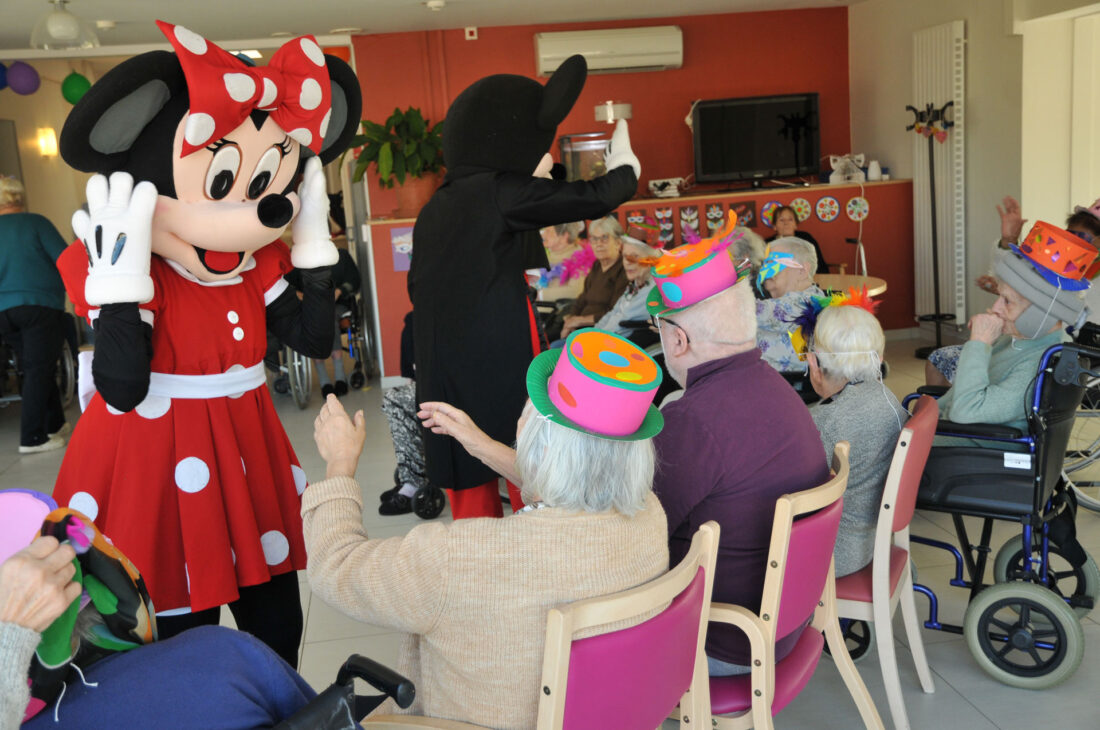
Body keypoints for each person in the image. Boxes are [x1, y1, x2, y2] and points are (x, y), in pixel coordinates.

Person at [51, 22, 363, 667]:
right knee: (173, 630)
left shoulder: (256, 264)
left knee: (275, 618)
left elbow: (311, 340)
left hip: (245, 449)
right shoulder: (114, 266)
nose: (259, 214)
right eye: (223, 182)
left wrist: (312, 249)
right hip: (151, 464)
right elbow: (122, 387)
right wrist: (118, 288)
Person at [305, 328, 668, 728]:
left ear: (543, 446)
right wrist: (478, 443)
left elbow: (334, 567)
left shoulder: (461, 556)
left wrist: (340, 463)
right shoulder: (650, 517)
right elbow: (578, 487)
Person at [409, 55, 641, 520]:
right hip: (496, 348)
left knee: (469, 474)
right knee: (527, 460)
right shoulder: (498, 190)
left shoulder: (439, 204)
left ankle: (484, 572)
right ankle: (537, 551)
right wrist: (624, 170)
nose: (550, 160)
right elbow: (591, 197)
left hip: (443, 359)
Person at [643, 212, 830, 676]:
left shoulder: (692, 419)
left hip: (723, 638)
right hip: (785, 619)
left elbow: (635, 531)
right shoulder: (772, 383)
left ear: (679, 339)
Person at [926, 195, 1100, 386]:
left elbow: (1069, 311)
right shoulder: (1061, 262)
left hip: (1053, 357)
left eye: (1084, 239)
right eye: (1071, 234)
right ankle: (940, 411)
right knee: (938, 359)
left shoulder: (1089, 281)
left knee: (965, 371)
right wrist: (1009, 240)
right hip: (1020, 344)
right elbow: (1024, 282)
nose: (1075, 244)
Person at [935, 230, 1095, 439]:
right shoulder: (1017, 340)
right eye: (999, 297)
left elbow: (964, 412)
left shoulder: (1037, 364)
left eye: (1007, 301)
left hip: (971, 453)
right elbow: (956, 396)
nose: (995, 308)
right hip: (946, 438)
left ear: (1038, 314)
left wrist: (979, 344)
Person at [804, 301, 905, 576]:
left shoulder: (829, 421)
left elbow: (794, 491)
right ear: (878, 358)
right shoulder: (887, 399)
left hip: (835, 553)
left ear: (814, 362)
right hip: (870, 542)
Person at [0, 177, 70, 454]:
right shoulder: (36, 223)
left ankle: (55, 423)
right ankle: (32, 438)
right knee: (40, 367)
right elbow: (65, 257)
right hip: (39, 305)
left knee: (35, 366)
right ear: (19, 198)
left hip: (4, 312)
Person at [755, 237, 826, 373]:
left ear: (802, 271)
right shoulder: (810, 297)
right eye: (763, 263)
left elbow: (749, 312)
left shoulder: (804, 302)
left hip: (780, 387)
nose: (765, 269)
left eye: (773, 263)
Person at [560, 215, 630, 338]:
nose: (598, 244)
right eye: (594, 239)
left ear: (618, 243)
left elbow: (615, 312)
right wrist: (570, 321)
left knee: (555, 348)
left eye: (604, 238)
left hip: (603, 332)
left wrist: (579, 320)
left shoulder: (624, 269)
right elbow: (582, 299)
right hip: (580, 330)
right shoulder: (597, 265)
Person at [592, 220, 661, 339]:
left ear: (651, 260)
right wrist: (590, 334)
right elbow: (613, 313)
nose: (627, 263)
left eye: (634, 257)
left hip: (623, 346)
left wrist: (593, 340)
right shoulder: (636, 284)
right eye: (624, 256)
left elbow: (622, 321)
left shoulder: (652, 291)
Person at [534, 221, 590, 302]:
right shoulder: (547, 254)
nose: (542, 235)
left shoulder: (579, 258)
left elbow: (576, 291)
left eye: (548, 231)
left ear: (564, 236)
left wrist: (539, 295)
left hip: (557, 312)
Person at [765, 205, 828, 274]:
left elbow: (820, 264)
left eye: (790, 219)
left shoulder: (806, 238)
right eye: (781, 220)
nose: (786, 223)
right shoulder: (768, 244)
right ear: (774, 226)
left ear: (796, 225)